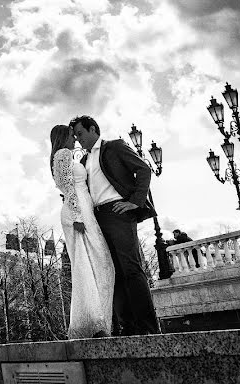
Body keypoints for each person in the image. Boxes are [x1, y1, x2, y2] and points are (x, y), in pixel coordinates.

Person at [70, 115, 160, 335]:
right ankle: (128, 327)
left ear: (93, 129)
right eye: (75, 136)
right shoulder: (83, 161)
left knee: (130, 269)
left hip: (117, 212)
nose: (78, 140)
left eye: (80, 134)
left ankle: (149, 328)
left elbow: (144, 169)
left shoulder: (114, 147)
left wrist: (134, 202)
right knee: (112, 272)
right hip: (97, 218)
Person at [51, 124, 115, 339]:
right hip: (77, 211)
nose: (75, 140)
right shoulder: (63, 154)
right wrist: (78, 216)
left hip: (83, 207)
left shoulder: (66, 155)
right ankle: (93, 321)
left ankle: (98, 320)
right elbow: (67, 187)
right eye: (72, 135)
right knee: (94, 264)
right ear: (63, 137)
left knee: (95, 264)